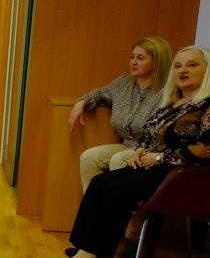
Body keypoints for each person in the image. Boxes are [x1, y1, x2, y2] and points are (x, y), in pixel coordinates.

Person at [53, 45, 210, 258]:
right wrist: (141, 150)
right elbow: (153, 134)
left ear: (209, 70)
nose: (183, 70)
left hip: (190, 175)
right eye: (178, 66)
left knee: (117, 188)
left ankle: (96, 252)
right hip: (164, 168)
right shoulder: (177, 101)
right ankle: (90, 249)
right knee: (101, 182)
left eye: (192, 65)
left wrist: (160, 157)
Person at [68, 37, 174, 189]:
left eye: (140, 58)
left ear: (157, 62)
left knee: (118, 159)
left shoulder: (168, 91)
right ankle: (93, 202)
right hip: (126, 145)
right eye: (132, 57)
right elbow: (100, 93)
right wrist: (81, 103)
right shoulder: (123, 83)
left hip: (152, 150)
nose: (133, 62)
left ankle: (118, 203)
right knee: (88, 157)